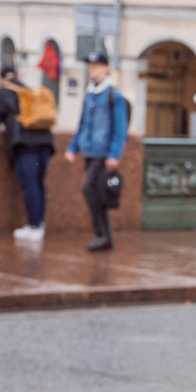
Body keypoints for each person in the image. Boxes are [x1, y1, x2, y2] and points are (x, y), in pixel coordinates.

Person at [0, 64, 57, 245]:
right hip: (45, 142)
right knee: (40, 184)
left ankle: (34, 226)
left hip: (25, 145)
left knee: (30, 184)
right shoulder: (29, 91)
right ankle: (38, 224)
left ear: (2, 79)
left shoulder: (3, 93)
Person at [71, 50, 130, 251]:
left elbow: (120, 127)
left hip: (103, 152)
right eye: (90, 67)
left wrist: (114, 153)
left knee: (88, 189)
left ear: (106, 68)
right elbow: (82, 122)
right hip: (89, 149)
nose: (92, 71)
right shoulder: (90, 93)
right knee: (97, 192)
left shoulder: (114, 94)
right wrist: (73, 146)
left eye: (96, 67)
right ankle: (104, 236)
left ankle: (101, 234)